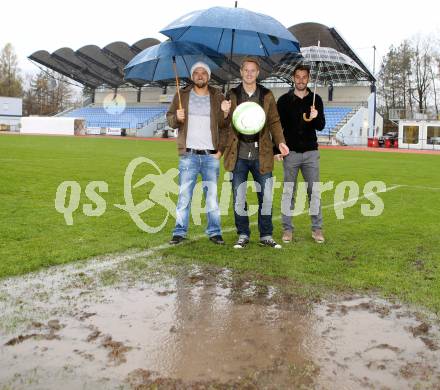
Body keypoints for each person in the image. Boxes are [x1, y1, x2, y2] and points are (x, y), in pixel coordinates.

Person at [222, 57, 289, 249]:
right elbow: (224, 125)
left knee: (266, 197)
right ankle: (243, 234)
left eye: (253, 70)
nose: (249, 73)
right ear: (241, 72)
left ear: (258, 73)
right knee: (239, 197)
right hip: (238, 154)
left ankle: (266, 235)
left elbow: (274, 122)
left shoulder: (267, 95)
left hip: (263, 154)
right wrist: (224, 112)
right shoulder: (232, 94)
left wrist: (281, 143)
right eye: (246, 70)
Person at [166, 62, 230, 245]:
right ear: (192, 76)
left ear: (208, 77)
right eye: (196, 72)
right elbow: (170, 119)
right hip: (189, 155)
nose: (200, 75)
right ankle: (179, 231)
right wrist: (176, 118)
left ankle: (214, 232)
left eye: (203, 73)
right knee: (184, 196)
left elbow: (226, 127)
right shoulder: (181, 95)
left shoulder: (218, 96)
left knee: (211, 197)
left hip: (211, 156)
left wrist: (221, 150)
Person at [276, 65, 326, 244]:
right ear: (293, 78)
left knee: (314, 192)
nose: (301, 80)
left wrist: (316, 115)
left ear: (308, 78)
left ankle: (317, 229)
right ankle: (287, 229)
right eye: (298, 76)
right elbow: (277, 127)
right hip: (290, 153)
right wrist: (278, 150)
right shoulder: (283, 101)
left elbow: (321, 126)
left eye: (304, 77)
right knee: (288, 192)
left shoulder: (316, 99)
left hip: (311, 153)